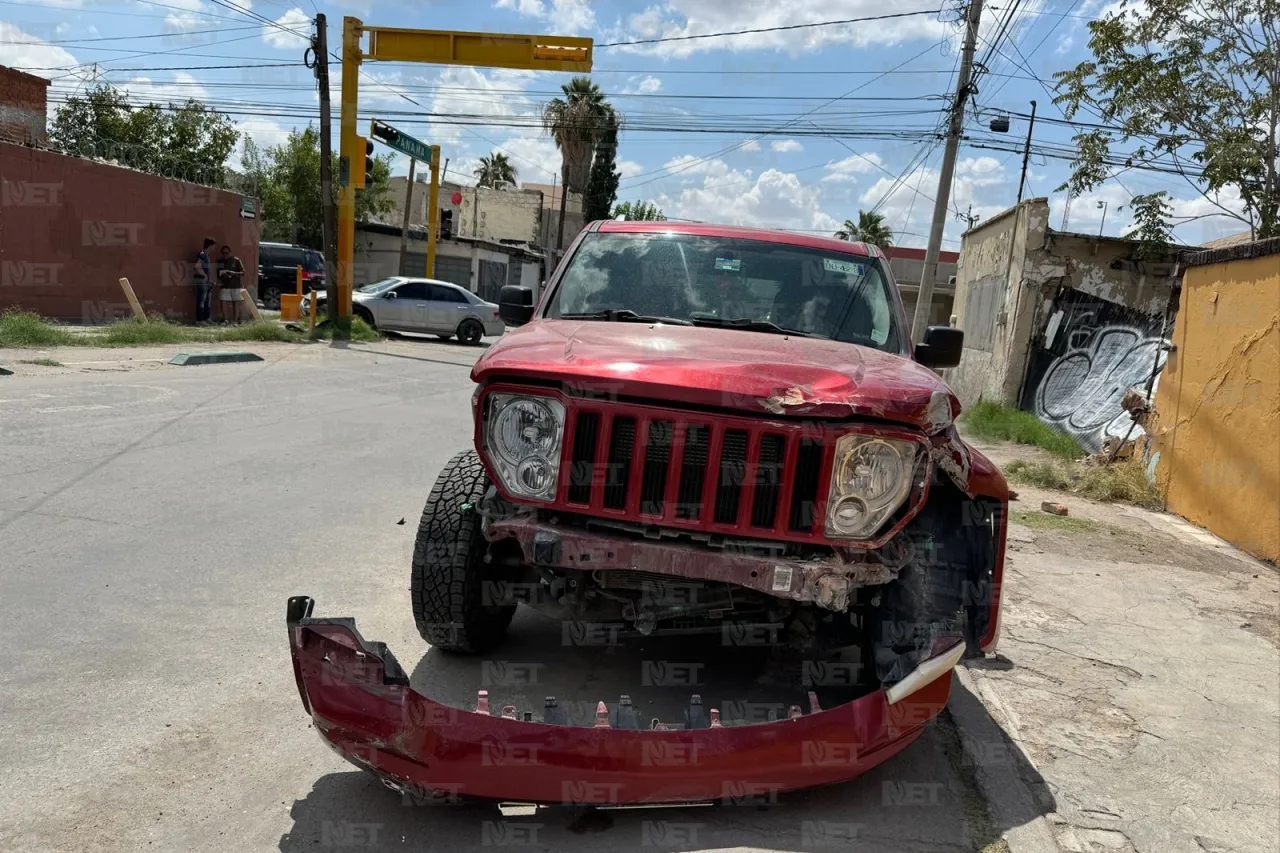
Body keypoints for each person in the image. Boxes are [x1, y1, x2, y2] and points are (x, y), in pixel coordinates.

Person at [216, 244, 245, 324]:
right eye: (223, 253)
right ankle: (226, 319)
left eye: (227, 252)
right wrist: (223, 275)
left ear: (230, 252)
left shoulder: (236, 260)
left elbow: (243, 272)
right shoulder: (220, 261)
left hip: (236, 285)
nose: (225, 254)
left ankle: (235, 321)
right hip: (224, 285)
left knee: (236, 303)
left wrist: (233, 273)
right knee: (223, 302)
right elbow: (218, 274)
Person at [193, 237, 215, 323]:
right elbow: (197, 266)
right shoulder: (202, 254)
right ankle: (199, 320)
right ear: (210, 246)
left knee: (207, 301)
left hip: (206, 281)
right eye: (213, 246)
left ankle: (206, 318)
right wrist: (205, 275)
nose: (214, 248)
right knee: (202, 300)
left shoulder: (207, 255)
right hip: (201, 280)